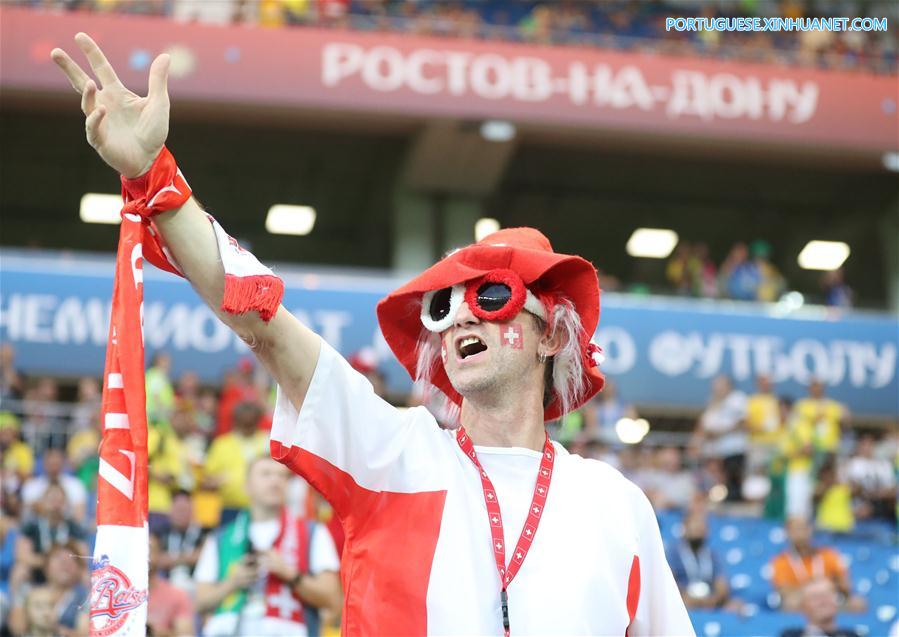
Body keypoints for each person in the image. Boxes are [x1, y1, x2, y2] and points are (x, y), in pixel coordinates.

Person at [50, 34, 694, 635]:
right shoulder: (392, 451)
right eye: (442, 308)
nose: (461, 316)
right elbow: (263, 325)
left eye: (491, 297)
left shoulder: (614, 503)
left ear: (552, 334)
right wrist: (156, 179)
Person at [194, 456, 341, 636]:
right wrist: (233, 582)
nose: (275, 480)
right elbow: (199, 603)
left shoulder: (313, 532)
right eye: (266, 474)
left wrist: (289, 574)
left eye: (282, 476)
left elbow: (333, 599)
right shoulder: (220, 537)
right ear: (247, 486)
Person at [770, 516, 865, 612]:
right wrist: (814, 587)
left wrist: (826, 587)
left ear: (810, 530)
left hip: (830, 599)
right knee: (790, 603)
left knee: (858, 603)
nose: (800, 533)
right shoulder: (781, 561)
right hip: (802, 602)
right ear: (787, 533)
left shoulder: (828, 555)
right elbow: (784, 591)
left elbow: (846, 586)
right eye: (795, 529)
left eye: (803, 528)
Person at [203, 401, 269, 525]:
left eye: (251, 422)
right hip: (230, 508)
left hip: (263, 508)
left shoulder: (267, 441)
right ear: (236, 421)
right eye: (244, 422)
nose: (247, 425)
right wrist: (217, 480)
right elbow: (206, 480)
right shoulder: (221, 444)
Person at [665, 509, 737, 610]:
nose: (698, 528)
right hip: (683, 600)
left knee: (735, 606)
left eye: (701, 524)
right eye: (694, 524)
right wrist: (686, 597)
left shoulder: (712, 554)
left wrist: (714, 599)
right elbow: (668, 582)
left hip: (709, 600)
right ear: (684, 528)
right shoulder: (673, 553)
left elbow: (722, 584)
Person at [692, 375, 748, 502]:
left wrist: (720, 433)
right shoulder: (712, 401)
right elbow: (703, 424)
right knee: (713, 483)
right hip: (715, 452)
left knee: (733, 484)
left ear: (728, 385)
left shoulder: (737, 399)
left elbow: (743, 422)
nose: (716, 388)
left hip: (733, 449)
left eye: (719, 384)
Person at [20, 447, 88, 523]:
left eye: (56, 464)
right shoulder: (31, 485)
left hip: (68, 528)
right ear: (44, 464)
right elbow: (27, 512)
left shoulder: (75, 485)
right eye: (51, 464)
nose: (54, 468)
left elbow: (79, 515)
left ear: (63, 464)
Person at [147, 532, 196, 637]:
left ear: (160, 555)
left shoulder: (176, 595)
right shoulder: (115, 594)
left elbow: (186, 635)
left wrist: (156, 633)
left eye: (149, 550)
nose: (143, 556)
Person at [780, 578, 860, 637]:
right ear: (803, 606)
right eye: (815, 597)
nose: (823, 602)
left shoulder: (853, 635)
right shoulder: (790, 635)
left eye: (827, 595)